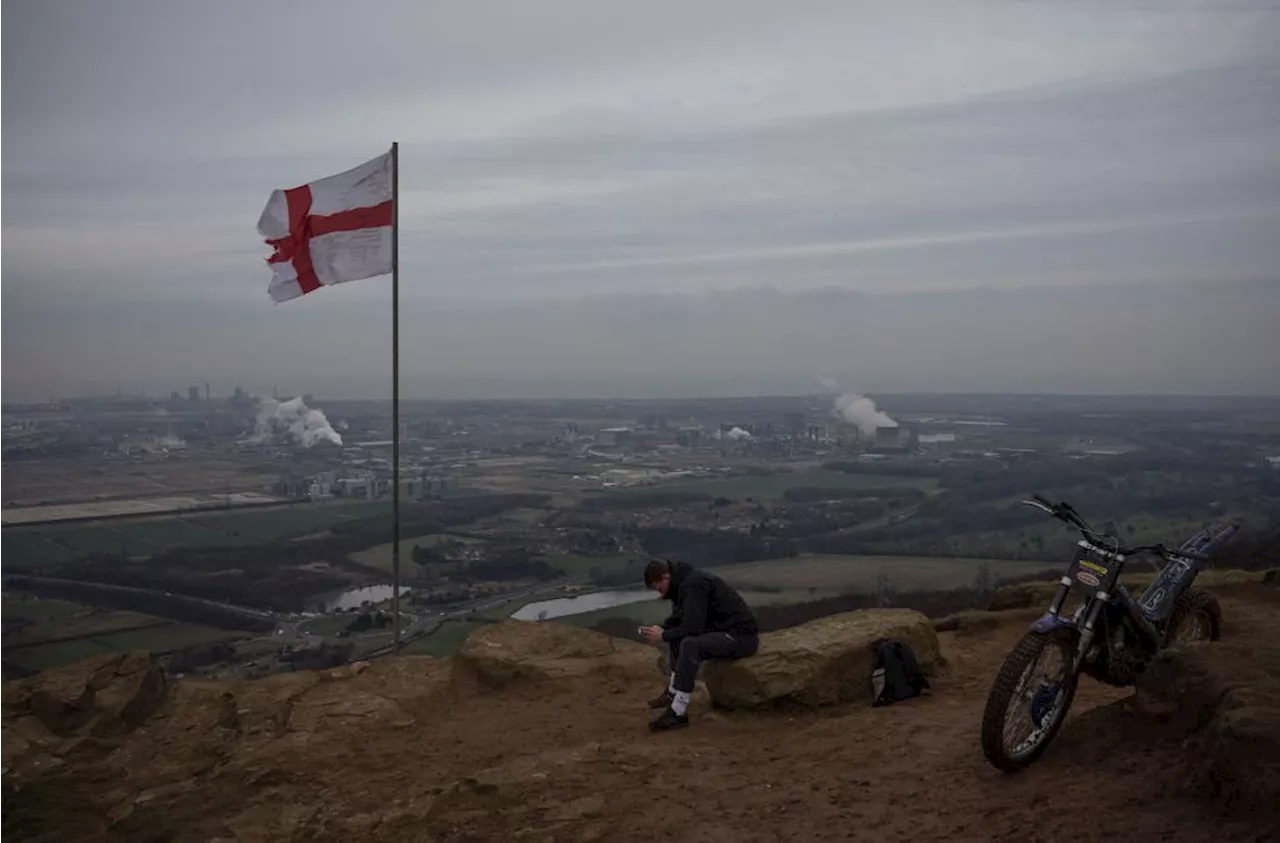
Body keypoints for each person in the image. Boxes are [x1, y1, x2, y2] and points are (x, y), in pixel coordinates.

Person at [638, 558, 759, 732]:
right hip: (725, 632)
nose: (660, 593)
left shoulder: (694, 584)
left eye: (659, 588)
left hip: (741, 638)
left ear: (665, 577)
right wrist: (663, 628)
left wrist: (664, 635)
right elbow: (681, 618)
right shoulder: (683, 584)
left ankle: (678, 712)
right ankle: (673, 692)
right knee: (678, 638)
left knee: (690, 644)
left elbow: (693, 627)